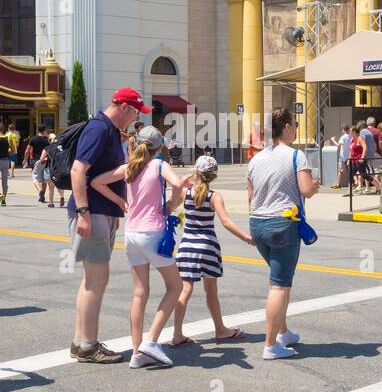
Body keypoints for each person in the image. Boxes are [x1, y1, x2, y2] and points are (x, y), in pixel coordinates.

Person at [91, 125, 188, 368]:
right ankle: (151, 341)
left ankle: (137, 353)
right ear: (160, 147)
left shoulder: (129, 168)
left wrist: (121, 202)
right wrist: (171, 206)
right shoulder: (159, 165)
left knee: (139, 292)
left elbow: (97, 182)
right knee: (175, 287)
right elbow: (179, 185)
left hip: (131, 234)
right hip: (152, 233)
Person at [68, 88, 149, 364]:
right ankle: (88, 346)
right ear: (125, 107)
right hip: (92, 211)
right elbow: (78, 170)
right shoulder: (100, 128)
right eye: (136, 111)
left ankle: (81, 341)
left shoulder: (111, 130)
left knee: (91, 279)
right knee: (97, 278)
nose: (137, 117)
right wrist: (83, 212)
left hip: (101, 211)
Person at [247, 107, 319, 360]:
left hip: (258, 222)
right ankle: (270, 345)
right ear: (287, 127)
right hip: (282, 223)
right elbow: (306, 189)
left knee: (279, 277)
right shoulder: (296, 156)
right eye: (295, 125)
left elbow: (250, 195)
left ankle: (283, 332)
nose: (296, 129)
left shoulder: (255, 159)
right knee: (279, 285)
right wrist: (315, 185)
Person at [169, 155, 252, 346]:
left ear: (195, 171)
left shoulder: (186, 193)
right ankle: (220, 329)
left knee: (185, 289)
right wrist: (246, 238)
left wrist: (178, 188)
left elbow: (169, 208)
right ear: (213, 176)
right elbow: (226, 222)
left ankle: (177, 334)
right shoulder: (214, 196)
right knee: (211, 291)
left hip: (187, 246)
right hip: (207, 246)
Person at [28, 126, 51, 202]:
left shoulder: (33, 139)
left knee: (35, 178)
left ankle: (40, 190)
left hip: (36, 161)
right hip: (45, 160)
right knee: (44, 179)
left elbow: (28, 150)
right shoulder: (47, 140)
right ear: (44, 130)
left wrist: (25, 159)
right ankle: (42, 196)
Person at [334, 125, 352, 189]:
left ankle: (338, 184)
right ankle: (355, 183)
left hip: (343, 157)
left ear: (344, 130)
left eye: (342, 130)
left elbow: (338, 145)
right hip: (349, 156)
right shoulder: (350, 137)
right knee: (352, 170)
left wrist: (333, 140)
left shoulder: (343, 137)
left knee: (340, 171)